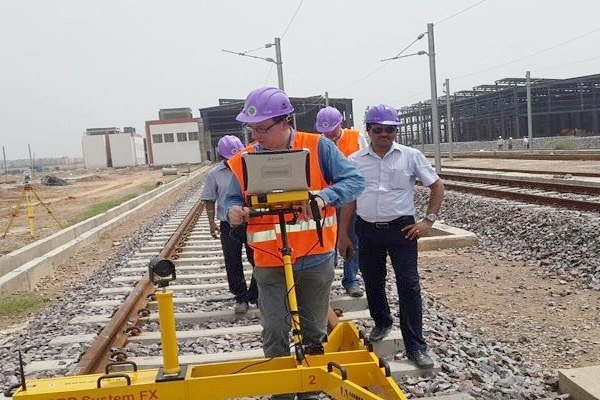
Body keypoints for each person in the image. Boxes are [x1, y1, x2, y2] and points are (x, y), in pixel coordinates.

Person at [225, 87, 364, 400]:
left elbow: (354, 181)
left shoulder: (317, 148)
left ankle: (310, 391)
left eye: (263, 128)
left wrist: (323, 196)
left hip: (315, 257)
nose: (256, 135)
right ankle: (282, 392)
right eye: (253, 129)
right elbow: (231, 200)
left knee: (314, 331)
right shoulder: (243, 160)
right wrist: (233, 211)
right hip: (268, 261)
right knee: (275, 329)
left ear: (285, 121)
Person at [338, 104, 444, 370]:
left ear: (395, 130)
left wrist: (427, 221)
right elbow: (350, 200)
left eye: (389, 130)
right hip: (367, 229)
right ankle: (382, 322)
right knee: (373, 282)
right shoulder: (355, 161)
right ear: (369, 130)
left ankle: (416, 346)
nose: (384, 134)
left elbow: (437, 186)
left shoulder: (411, 156)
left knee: (409, 286)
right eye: (378, 129)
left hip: (402, 230)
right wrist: (343, 235)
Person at [200, 135, 257, 314]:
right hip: (228, 224)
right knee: (232, 261)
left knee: (258, 259)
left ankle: (256, 294)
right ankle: (240, 297)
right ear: (222, 157)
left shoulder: (250, 167)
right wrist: (212, 224)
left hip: (252, 221)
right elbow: (209, 200)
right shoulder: (214, 175)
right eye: (228, 158)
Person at [314, 106, 368, 297]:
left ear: (341, 124)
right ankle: (325, 282)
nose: (329, 135)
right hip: (326, 200)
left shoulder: (355, 137)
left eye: (332, 131)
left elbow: (364, 165)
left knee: (352, 238)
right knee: (326, 241)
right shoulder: (318, 142)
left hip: (349, 199)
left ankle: (351, 279)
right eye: (325, 132)